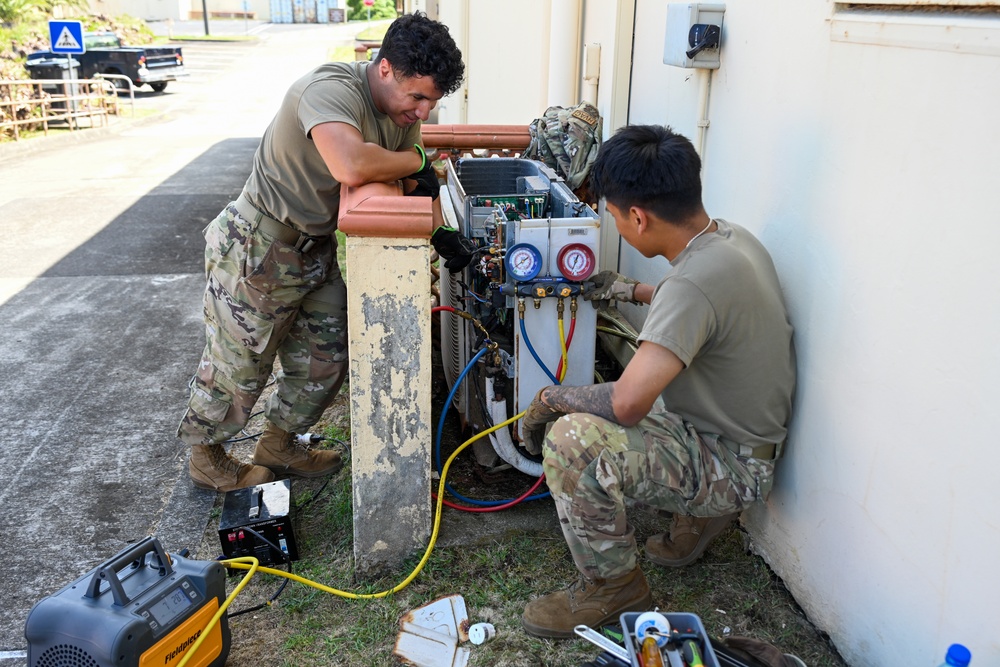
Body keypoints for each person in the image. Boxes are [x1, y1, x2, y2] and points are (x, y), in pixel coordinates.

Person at [519, 125, 796, 638]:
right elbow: (695, 302)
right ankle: (701, 519)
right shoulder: (728, 240)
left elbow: (626, 403)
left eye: (613, 216)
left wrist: (552, 397)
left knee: (574, 441)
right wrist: (632, 290)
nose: (615, 225)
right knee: (644, 400)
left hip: (732, 463)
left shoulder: (693, 283)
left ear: (639, 217)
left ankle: (613, 587)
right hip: (741, 432)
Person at [177, 12, 468, 492]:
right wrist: (418, 158)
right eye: (417, 97)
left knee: (328, 350)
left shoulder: (398, 116)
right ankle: (206, 457)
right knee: (241, 360)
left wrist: (443, 237)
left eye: (431, 103)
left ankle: (279, 443)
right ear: (385, 68)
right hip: (259, 245)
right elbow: (352, 164)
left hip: (314, 248)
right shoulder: (329, 89)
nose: (422, 113)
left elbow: (417, 182)